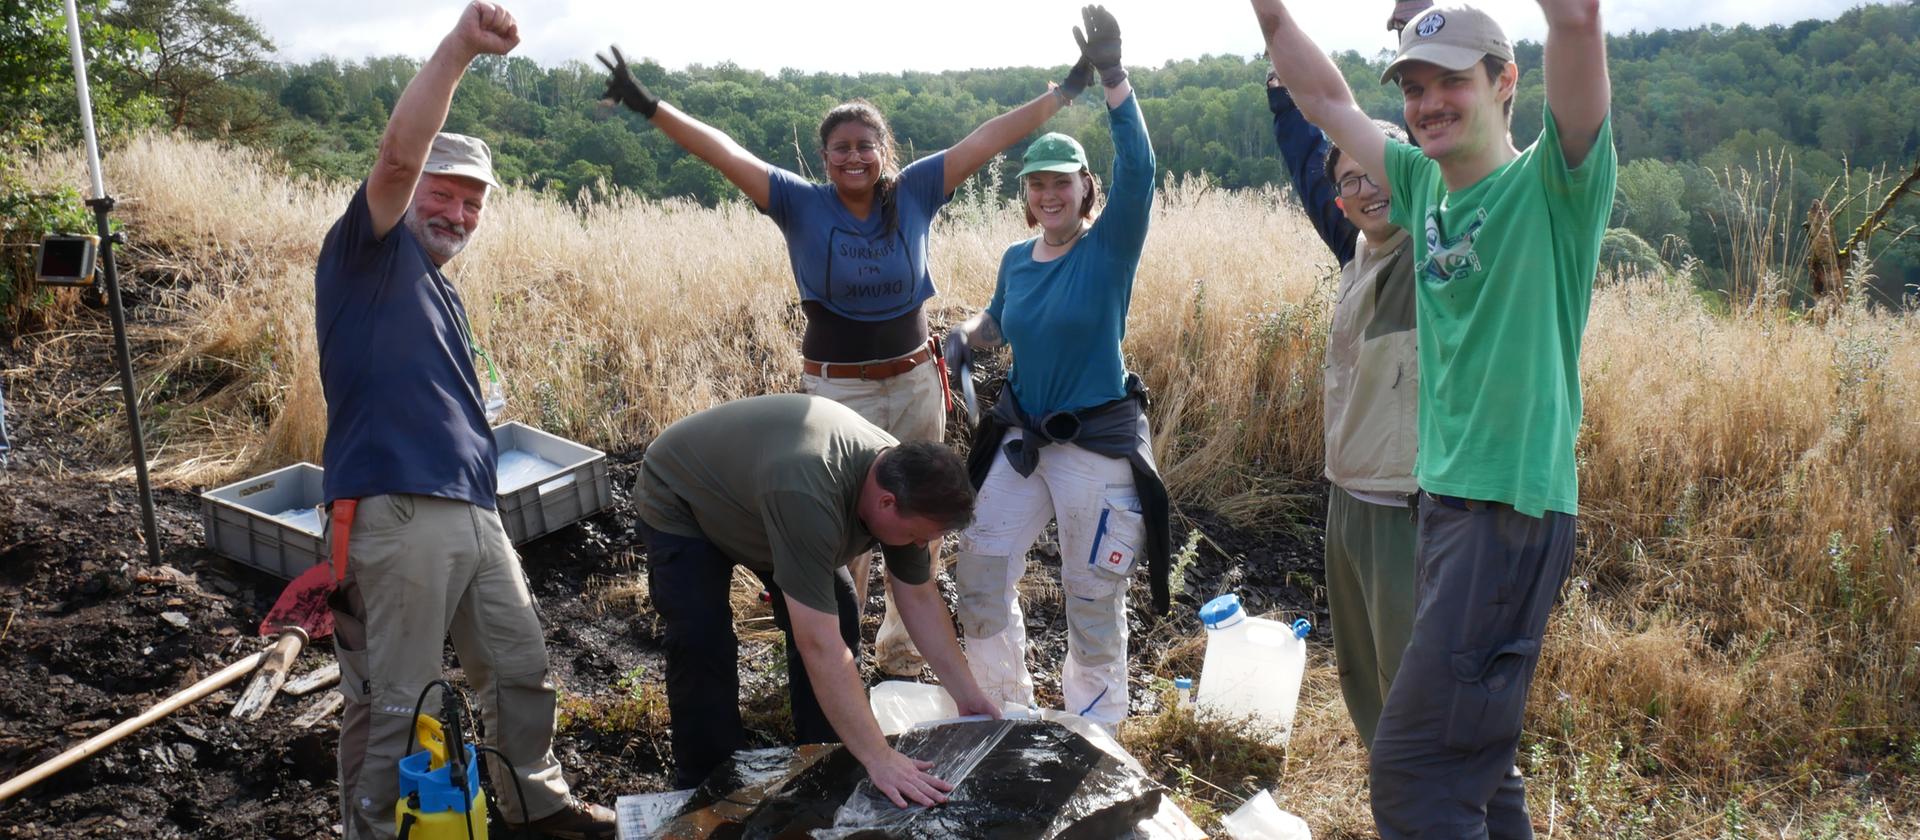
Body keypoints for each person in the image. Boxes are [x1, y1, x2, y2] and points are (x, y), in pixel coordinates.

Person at [598, 42, 1097, 679]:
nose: (855, 156)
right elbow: (719, 150)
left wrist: (1068, 89)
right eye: (841, 147)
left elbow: (988, 139)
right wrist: (648, 104)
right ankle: (840, 655)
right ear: (825, 157)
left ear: (883, 152)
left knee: (918, 519)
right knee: (843, 529)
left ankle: (900, 652)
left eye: (866, 145)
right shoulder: (797, 202)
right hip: (838, 395)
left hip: (916, 382)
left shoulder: (916, 191)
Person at [1250, 0, 1616, 836]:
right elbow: (1325, 103)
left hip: (1508, 511)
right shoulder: (1424, 191)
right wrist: (1271, 14)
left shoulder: (1552, 187)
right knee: (1475, 765)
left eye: (1453, 80)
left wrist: (1573, 22)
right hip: (1444, 506)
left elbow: (1579, 28)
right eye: (1415, 87)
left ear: (1504, 82)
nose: (1430, 102)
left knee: (1414, 772)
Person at [312, 4, 615, 838]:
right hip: (394, 510)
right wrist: (459, 49)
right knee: (397, 703)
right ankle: (377, 829)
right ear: (411, 196)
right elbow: (399, 154)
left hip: (474, 515)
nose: (456, 212)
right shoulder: (367, 254)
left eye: (473, 201)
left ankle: (533, 807)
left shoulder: (440, 289)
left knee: (521, 670)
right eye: (442, 194)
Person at [942, 5, 1168, 731]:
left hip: (1096, 445)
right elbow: (997, 320)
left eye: (1062, 183)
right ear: (1027, 195)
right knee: (979, 569)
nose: (1049, 195)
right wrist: (963, 334)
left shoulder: (1108, 248)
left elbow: (1142, 167)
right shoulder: (1017, 257)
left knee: (1091, 596)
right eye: (1037, 185)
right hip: (1024, 438)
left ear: (1083, 189)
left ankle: (1094, 738)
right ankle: (1000, 712)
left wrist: (1113, 77)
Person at [632, 394, 999, 806]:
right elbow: (819, 645)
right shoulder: (810, 493)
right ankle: (708, 781)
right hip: (685, 496)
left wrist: (968, 696)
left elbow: (918, 596)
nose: (918, 546)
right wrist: (880, 756)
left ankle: (823, 753)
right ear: (886, 503)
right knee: (702, 637)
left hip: (766, 502)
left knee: (840, 608)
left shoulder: (909, 490)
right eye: (916, 537)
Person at [1268, 66, 1420, 750]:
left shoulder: (1437, 249)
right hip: (1348, 500)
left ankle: (1431, 809)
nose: (1363, 190)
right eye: (1348, 180)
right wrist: (1283, 89)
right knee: (1364, 681)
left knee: (1416, 688)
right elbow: (1311, 166)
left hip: (1409, 508)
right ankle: (1397, 802)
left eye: (1377, 171)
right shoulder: (1357, 252)